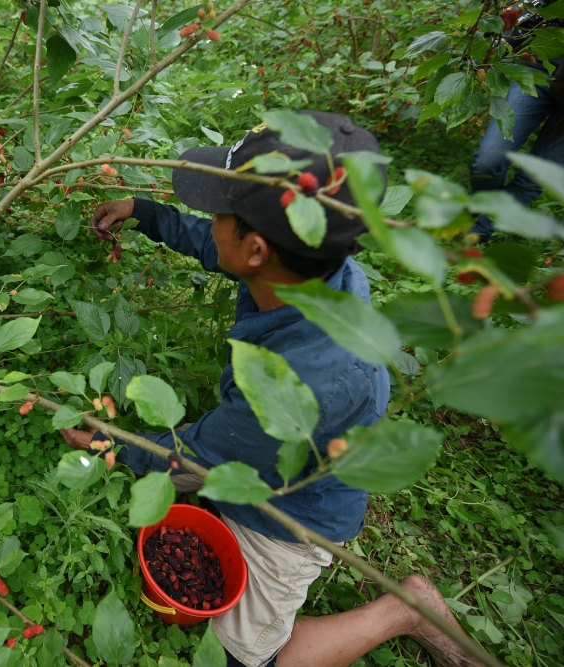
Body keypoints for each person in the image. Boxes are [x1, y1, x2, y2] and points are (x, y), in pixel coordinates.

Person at [61, 111, 482, 667]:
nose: (210, 219)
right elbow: (222, 249)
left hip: (295, 514)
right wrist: (146, 214)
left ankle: (403, 609)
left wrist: (107, 446)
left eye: (220, 212)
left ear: (257, 250)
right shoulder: (311, 271)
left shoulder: (295, 390)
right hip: (262, 448)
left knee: (248, 659)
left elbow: (195, 452)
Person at [469, 1, 564, 241]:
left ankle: (481, 230)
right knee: (488, 160)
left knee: (537, 174)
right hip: (541, 65)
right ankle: (484, 208)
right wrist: (501, 37)